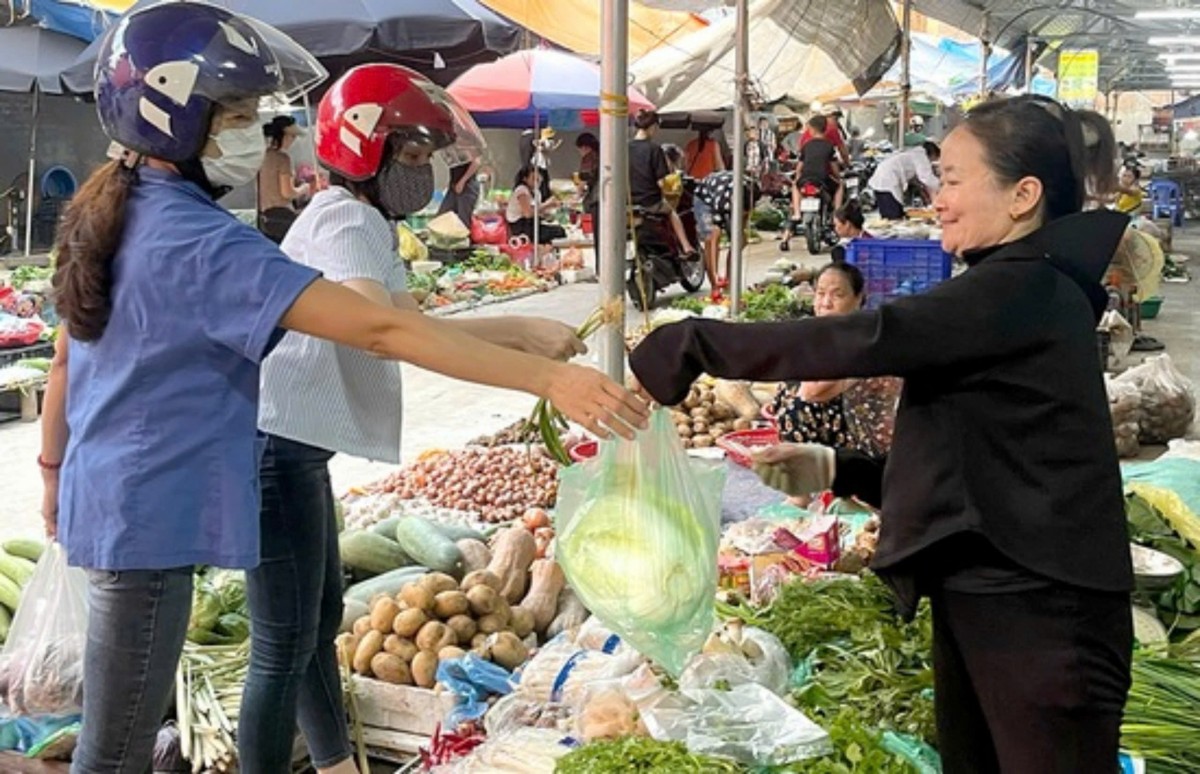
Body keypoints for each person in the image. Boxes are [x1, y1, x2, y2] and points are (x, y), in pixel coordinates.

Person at [38, 6, 648, 772]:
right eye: (234, 116)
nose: (253, 135)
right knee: (117, 747)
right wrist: (551, 378)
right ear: (172, 118)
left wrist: (52, 471)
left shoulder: (125, 210)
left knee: (129, 726)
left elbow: (68, 351)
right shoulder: (199, 239)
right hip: (148, 512)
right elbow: (379, 330)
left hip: (116, 494)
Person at [630, 94, 1131, 773]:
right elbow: (985, 463)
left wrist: (692, 344)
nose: (937, 196)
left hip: (1045, 616)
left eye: (954, 179)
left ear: (1023, 195)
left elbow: (871, 335)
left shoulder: (1025, 290)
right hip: (993, 594)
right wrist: (840, 469)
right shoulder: (1016, 288)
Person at [249, 64, 592, 774]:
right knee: (282, 647)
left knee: (313, 632)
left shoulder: (364, 223)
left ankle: (339, 763)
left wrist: (524, 328)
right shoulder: (341, 219)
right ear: (361, 151)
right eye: (410, 155)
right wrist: (543, 376)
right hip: (273, 449)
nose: (424, 171)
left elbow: (413, 322)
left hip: (298, 451)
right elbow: (382, 333)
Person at [770, 262, 900, 460]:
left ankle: (799, 488)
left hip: (871, 437)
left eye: (837, 295)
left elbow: (812, 392)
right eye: (821, 293)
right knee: (789, 386)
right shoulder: (827, 334)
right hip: (844, 422)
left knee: (798, 408)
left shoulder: (861, 336)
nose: (826, 303)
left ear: (858, 299)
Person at [628, 109, 697, 257]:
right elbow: (661, 182)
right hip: (650, 202)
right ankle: (686, 247)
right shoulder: (654, 149)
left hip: (627, 202)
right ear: (652, 126)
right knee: (672, 212)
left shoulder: (625, 148)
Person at [693, 170, 756, 301]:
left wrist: (740, 235)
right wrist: (715, 273)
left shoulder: (753, 191)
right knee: (711, 237)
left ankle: (729, 281)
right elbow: (715, 237)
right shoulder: (721, 201)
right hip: (705, 197)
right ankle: (714, 285)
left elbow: (744, 223)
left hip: (729, 188)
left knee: (740, 241)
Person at [783, 115, 841, 251]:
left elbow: (799, 167)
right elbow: (834, 167)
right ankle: (837, 213)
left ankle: (797, 212)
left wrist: (797, 178)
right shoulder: (829, 146)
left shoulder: (806, 145)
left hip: (806, 179)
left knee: (795, 186)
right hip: (822, 179)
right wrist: (838, 177)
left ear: (811, 130)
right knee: (840, 185)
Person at [258, 115, 310, 243]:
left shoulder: (262, 156)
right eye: (292, 136)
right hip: (282, 216)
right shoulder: (283, 159)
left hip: (263, 216)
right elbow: (287, 193)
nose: (294, 140)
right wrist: (304, 188)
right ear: (284, 136)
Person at [436, 97, 485, 229]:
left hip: (466, 184)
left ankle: (464, 246)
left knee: (463, 221)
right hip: (454, 183)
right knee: (442, 217)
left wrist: (463, 181)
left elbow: (476, 161)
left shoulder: (465, 136)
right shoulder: (449, 137)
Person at [868, 141, 940, 220]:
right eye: (933, 159)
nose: (931, 162)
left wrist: (922, 189)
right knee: (893, 216)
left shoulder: (912, 153)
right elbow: (926, 178)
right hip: (888, 181)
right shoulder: (920, 157)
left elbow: (917, 178)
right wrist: (942, 187)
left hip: (881, 180)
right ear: (932, 153)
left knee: (888, 215)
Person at [506, 164, 566, 245]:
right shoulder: (521, 191)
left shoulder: (536, 192)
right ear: (525, 179)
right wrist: (547, 205)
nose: (538, 181)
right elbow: (528, 213)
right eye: (534, 178)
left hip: (533, 224)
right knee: (558, 232)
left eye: (539, 178)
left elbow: (538, 210)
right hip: (521, 227)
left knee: (559, 230)